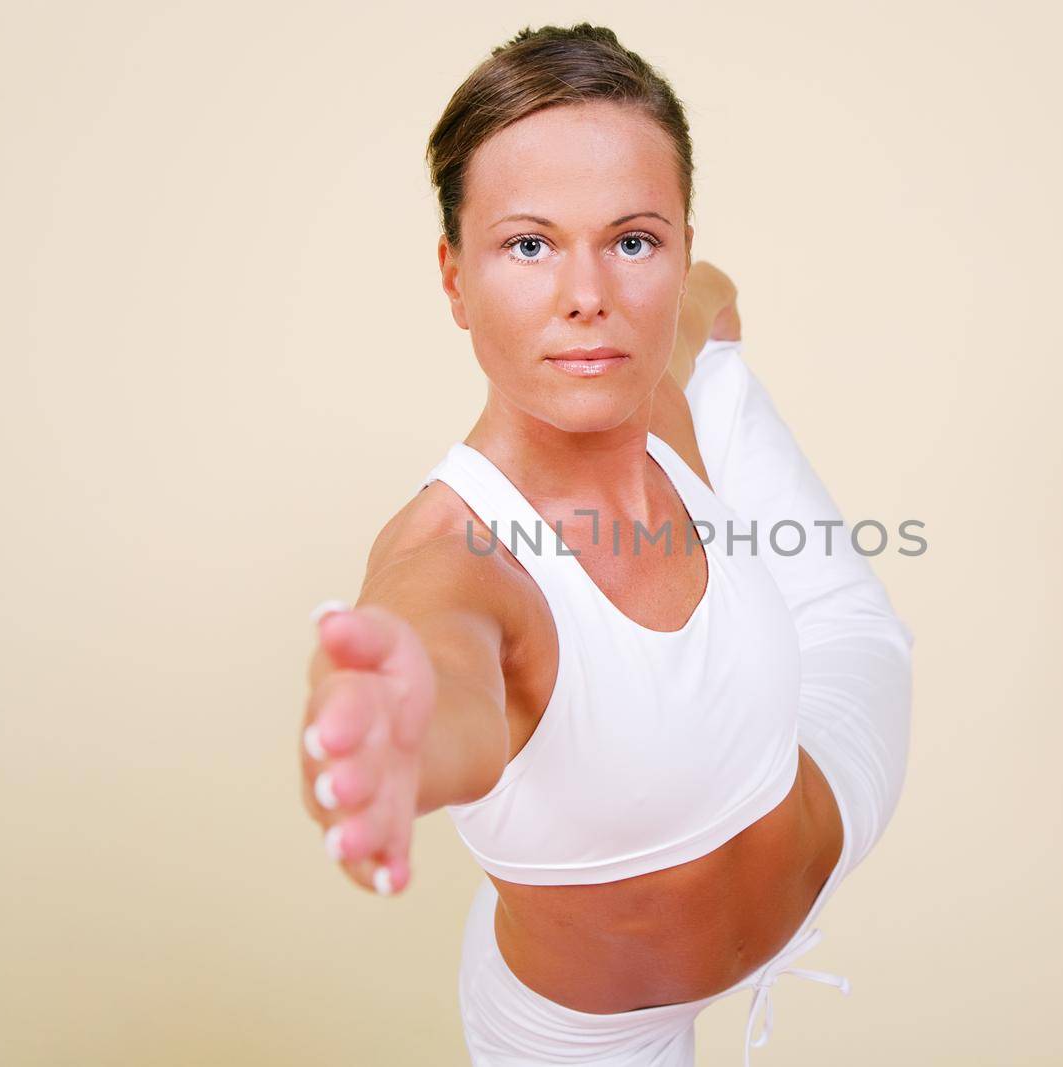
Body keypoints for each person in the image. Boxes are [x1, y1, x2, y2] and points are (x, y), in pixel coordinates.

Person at [297, 23, 914, 1065]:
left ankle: (707, 323)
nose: (588, 294)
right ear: (454, 277)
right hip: (588, 1028)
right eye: (528, 245)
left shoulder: (658, 379)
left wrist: (704, 308)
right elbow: (441, 661)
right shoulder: (452, 555)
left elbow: (689, 298)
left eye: (633, 239)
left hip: (822, 779)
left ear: (676, 242)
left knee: (847, 612)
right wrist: (398, 737)